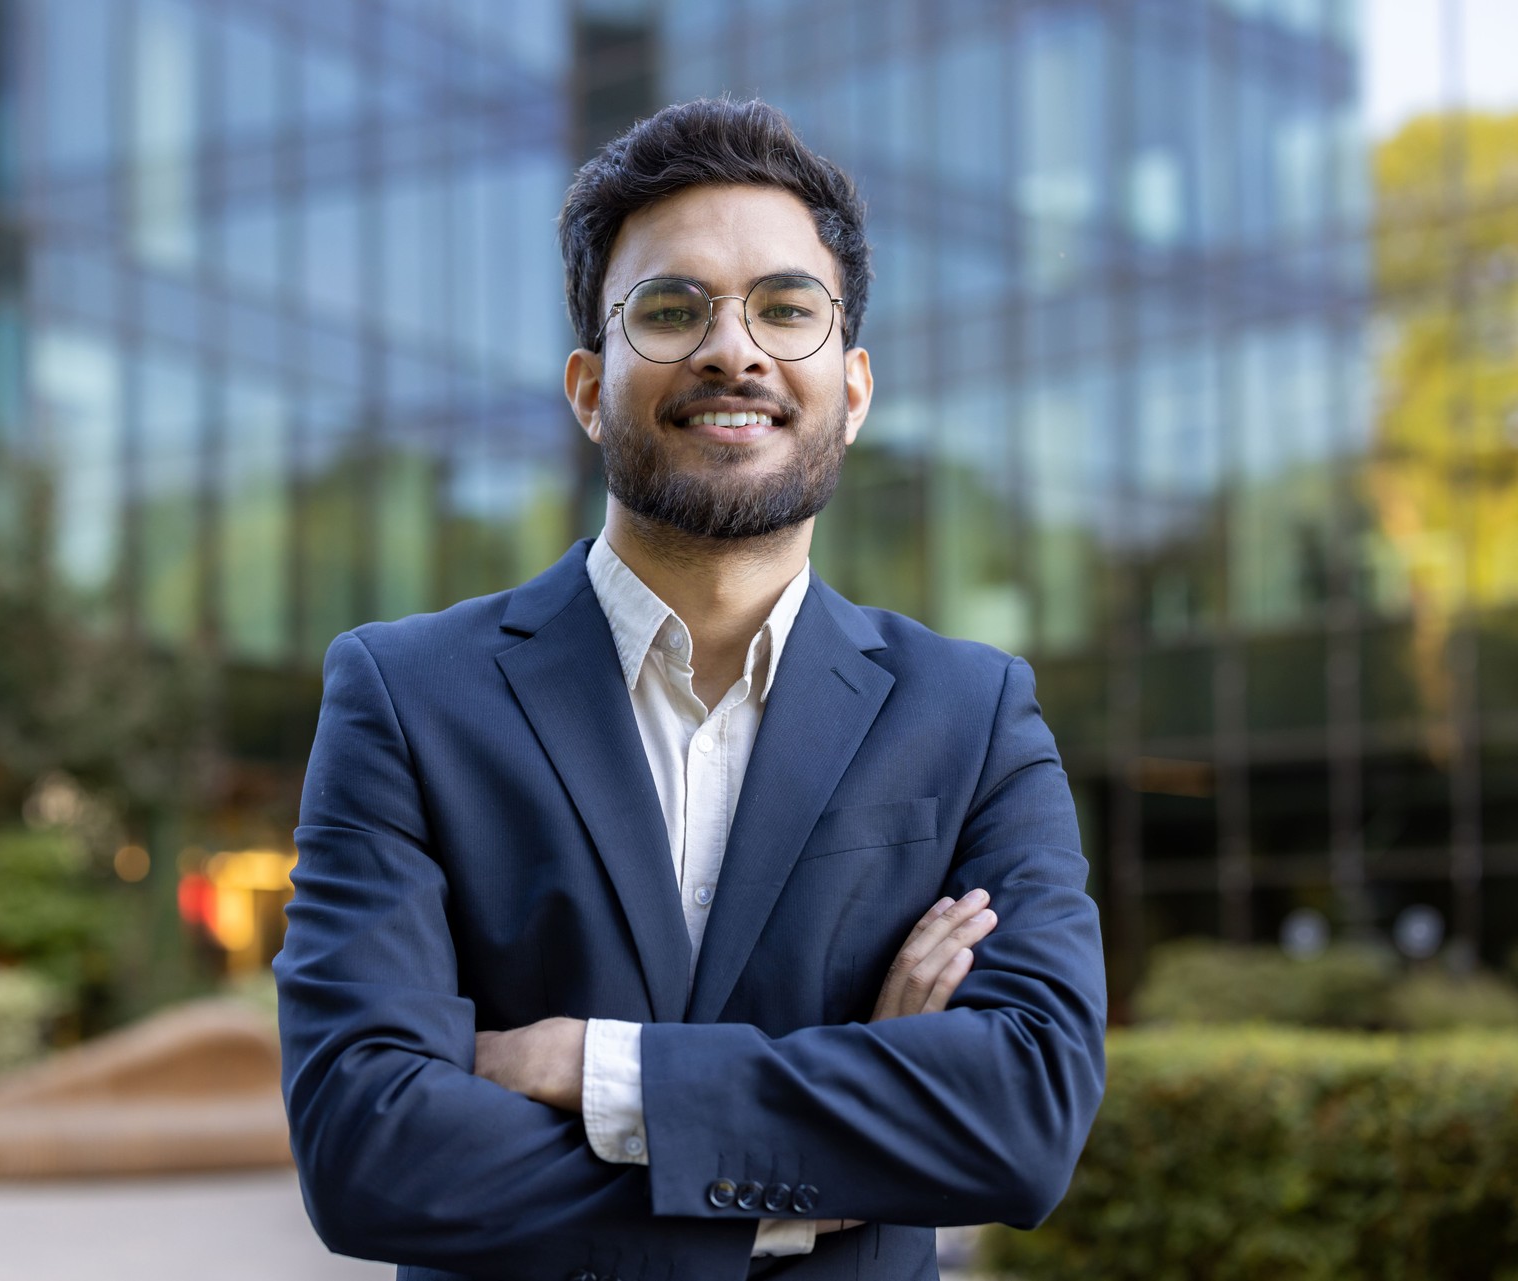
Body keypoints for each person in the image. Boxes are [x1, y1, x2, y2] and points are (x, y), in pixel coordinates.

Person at [275, 98, 1107, 1281]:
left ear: (854, 388)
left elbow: (1024, 1117)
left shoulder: (971, 716)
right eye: (671, 311)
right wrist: (819, 1168)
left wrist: (593, 1069)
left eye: (786, 307)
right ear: (586, 388)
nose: (735, 348)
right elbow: (367, 1148)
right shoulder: (405, 698)